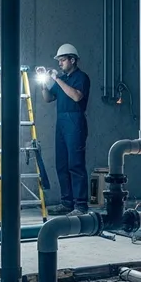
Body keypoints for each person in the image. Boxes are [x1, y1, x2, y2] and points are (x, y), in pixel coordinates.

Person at [41, 43, 90, 215]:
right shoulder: (63, 79)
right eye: (59, 61)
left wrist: (57, 79)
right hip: (61, 123)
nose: (60, 63)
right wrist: (43, 84)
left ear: (73, 60)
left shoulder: (81, 78)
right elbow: (48, 99)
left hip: (75, 122)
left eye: (62, 60)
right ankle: (67, 202)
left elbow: (76, 96)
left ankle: (80, 205)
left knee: (75, 164)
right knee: (61, 164)